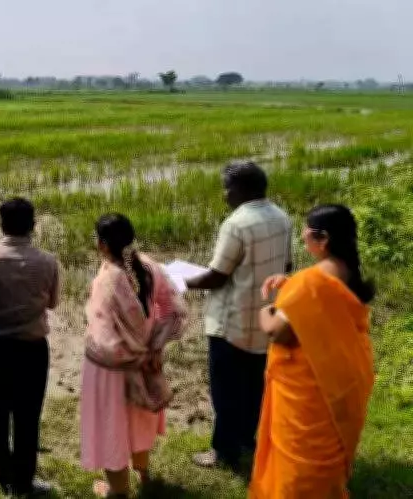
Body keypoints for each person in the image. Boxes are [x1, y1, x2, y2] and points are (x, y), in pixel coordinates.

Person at [250, 204, 375, 499]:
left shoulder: (310, 281)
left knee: (298, 460)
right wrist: (291, 287)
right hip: (340, 380)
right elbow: (323, 311)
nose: (303, 236)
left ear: (324, 239)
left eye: (307, 232)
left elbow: (277, 332)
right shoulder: (346, 271)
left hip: (307, 388)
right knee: (326, 455)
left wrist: (267, 309)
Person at [185, 161, 292, 470]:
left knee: (226, 391)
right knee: (254, 386)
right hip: (265, 319)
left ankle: (223, 451)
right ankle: (247, 439)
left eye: (227, 187)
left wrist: (179, 280)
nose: (224, 193)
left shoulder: (237, 223)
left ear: (242, 189)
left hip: (232, 322)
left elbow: (217, 277)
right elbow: (285, 267)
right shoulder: (282, 217)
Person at [81, 214, 187, 499]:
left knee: (112, 424)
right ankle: (143, 474)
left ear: (102, 245)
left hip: (113, 369)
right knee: (137, 418)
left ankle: (117, 490)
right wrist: (155, 347)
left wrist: (132, 355)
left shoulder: (108, 280)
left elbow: (104, 340)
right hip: (146, 361)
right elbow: (174, 309)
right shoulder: (148, 265)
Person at [0, 198, 61, 497]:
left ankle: (4, 478)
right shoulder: (47, 261)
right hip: (32, 349)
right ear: (33, 226)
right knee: (28, 416)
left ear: (0, 223)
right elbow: (53, 302)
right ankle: (24, 480)